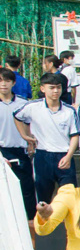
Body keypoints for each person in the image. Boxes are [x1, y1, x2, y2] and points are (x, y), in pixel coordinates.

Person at [13, 73, 80, 203]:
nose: (56, 91)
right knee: (43, 197)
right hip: (43, 156)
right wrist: (25, 136)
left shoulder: (69, 111)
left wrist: (68, 156)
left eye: (58, 87)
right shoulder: (33, 107)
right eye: (52, 87)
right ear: (43, 89)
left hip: (64, 155)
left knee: (70, 197)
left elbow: (75, 136)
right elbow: (17, 116)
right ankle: (45, 223)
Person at [0, 69, 36, 218]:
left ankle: (30, 221)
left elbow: (29, 125)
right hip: (2, 150)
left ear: (13, 83)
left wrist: (30, 144)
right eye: (1, 81)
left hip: (21, 150)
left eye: (7, 81)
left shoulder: (23, 103)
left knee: (26, 188)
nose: (3, 84)